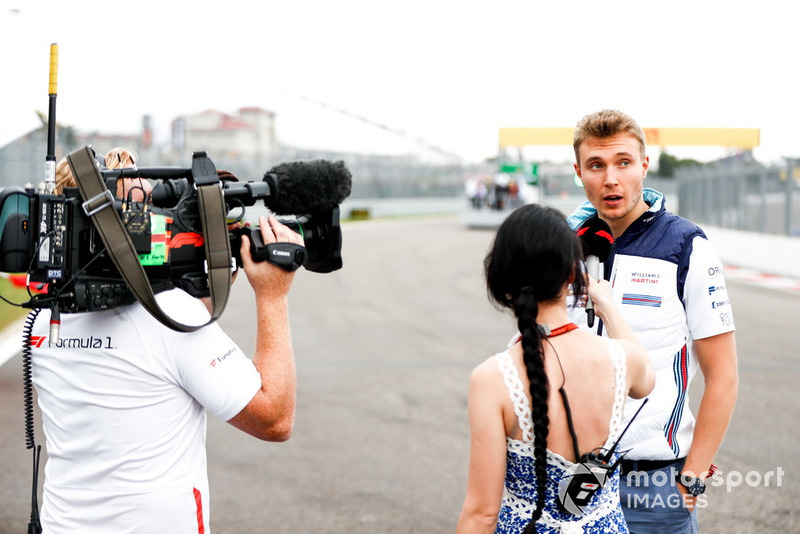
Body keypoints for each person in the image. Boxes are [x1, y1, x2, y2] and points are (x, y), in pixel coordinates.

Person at [30, 214, 303, 533]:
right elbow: (274, 419)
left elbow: (144, 354)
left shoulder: (42, 318)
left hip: (62, 525)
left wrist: (206, 286)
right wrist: (273, 295)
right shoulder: (173, 316)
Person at [567, 109, 739, 533]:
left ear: (644, 164)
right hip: (570, 483)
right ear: (579, 172)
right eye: (597, 165)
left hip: (655, 489)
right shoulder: (561, 248)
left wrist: (692, 477)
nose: (611, 179)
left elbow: (724, 376)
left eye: (623, 162)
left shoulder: (686, 246)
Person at [457, 204, 655, 533]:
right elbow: (646, 377)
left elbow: (482, 514)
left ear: (503, 280)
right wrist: (606, 304)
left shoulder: (493, 379)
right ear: (572, 274)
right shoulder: (622, 358)